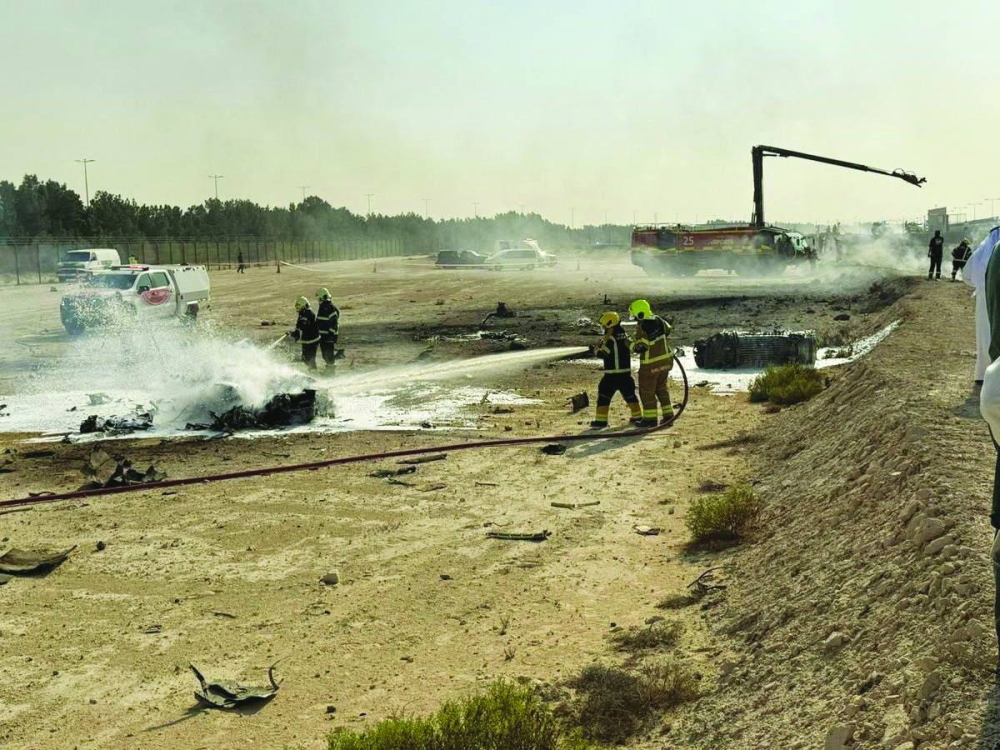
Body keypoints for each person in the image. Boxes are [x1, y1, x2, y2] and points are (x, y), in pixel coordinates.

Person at [589, 311, 642, 429]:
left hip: (612, 374)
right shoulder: (623, 335)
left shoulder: (611, 339)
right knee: (630, 395)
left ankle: (601, 421)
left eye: (604, 326)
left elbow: (603, 354)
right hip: (625, 374)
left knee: (604, 395)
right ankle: (637, 417)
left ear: (610, 324)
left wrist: (595, 350)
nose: (603, 328)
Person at [628, 299, 674, 427]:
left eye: (635, 315)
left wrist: (628, 342)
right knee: (662, 389)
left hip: (650, 365)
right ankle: (668, 416)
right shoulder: (659, 319)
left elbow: (640, 347)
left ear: (640, 314)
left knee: (647, 392)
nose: (635, 318)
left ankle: (650, 419)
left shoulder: (643, 326)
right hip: (666, 362)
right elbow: (668, 330)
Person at [964, 227, 1000, 386]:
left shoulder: (984, 249)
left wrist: (981, 285)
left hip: (983, 297)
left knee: (985, 337)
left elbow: (967, 275)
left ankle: (983, 374)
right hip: (992, 296)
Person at [288, 296, 320, 369]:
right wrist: (294, 333)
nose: (297, 309)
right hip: (306, 340)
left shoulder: (309, 314)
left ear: (304, 306)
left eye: (299, 307)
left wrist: (294, 333)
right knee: (305, 358)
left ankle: (314, 371)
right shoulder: (302, 314)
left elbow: (303, 326)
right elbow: (299, 326)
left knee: (311, 359)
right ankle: (313, 370)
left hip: (312, 341)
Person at [316, 287, 340, 369]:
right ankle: (329, 367)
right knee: (325, 354)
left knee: (328, 354)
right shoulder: (323, 307)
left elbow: (334, 322)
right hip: (323, 335)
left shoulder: (329, 307)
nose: (318, 301)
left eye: (319, 299)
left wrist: (330, 335)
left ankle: (331, 370)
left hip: (328, 336)